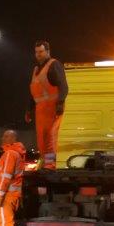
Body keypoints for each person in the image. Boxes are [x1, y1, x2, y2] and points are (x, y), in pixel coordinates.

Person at [25, 40, 68, 169]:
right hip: (40, 112)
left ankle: (51, 166)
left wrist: (60, 103)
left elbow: (63, 86)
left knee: (50, 139)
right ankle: (46, 164)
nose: (38, 54)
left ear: (47, 51)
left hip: (52, 109)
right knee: (42, 141)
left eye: (41, 51)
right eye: (36, 52)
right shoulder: (36, 70)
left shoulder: (54, 65)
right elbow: (34, 94)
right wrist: (29, 110)